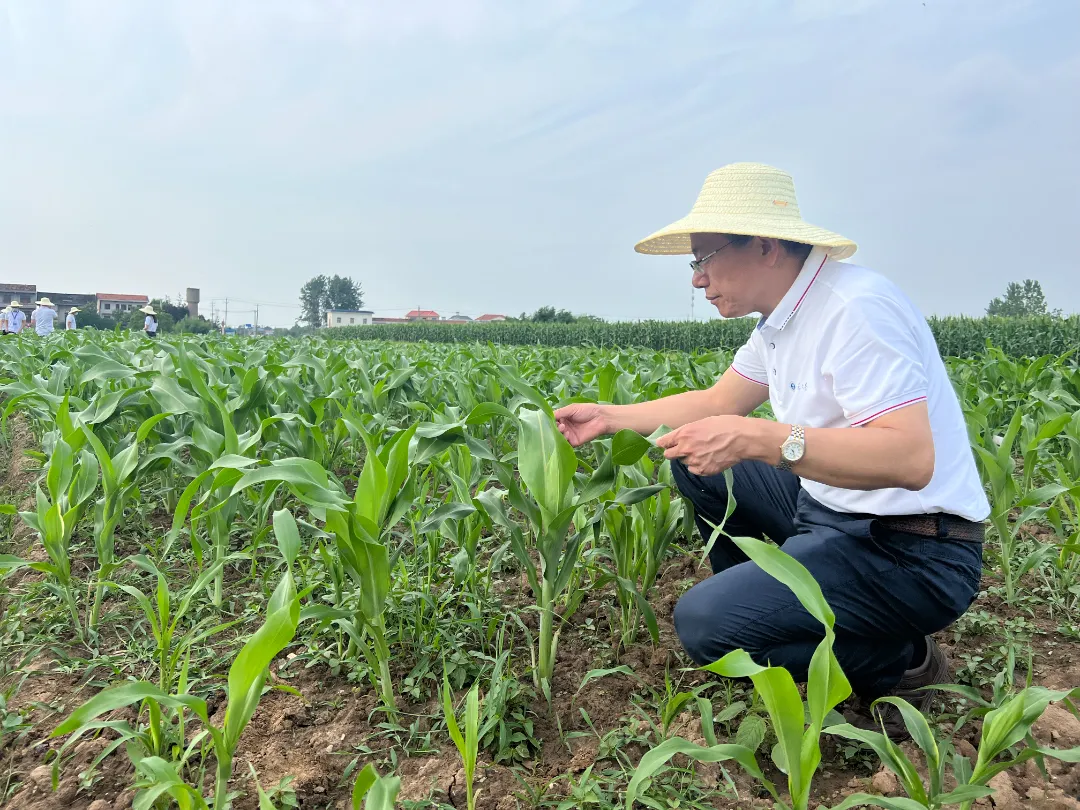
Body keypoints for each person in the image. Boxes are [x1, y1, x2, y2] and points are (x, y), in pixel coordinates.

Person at [553, 162, 989, 740]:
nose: (697, 280)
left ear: (762, 246)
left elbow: (909, 459)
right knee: (696, 462)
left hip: (915, 548)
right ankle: (774, 607)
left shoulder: (856, 309)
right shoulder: (783, 320)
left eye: (704, 259)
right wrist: (611, 417)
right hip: (832, 513)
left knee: (705, 626)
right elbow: (719, 400)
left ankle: (898, 657)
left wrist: (761, 439)